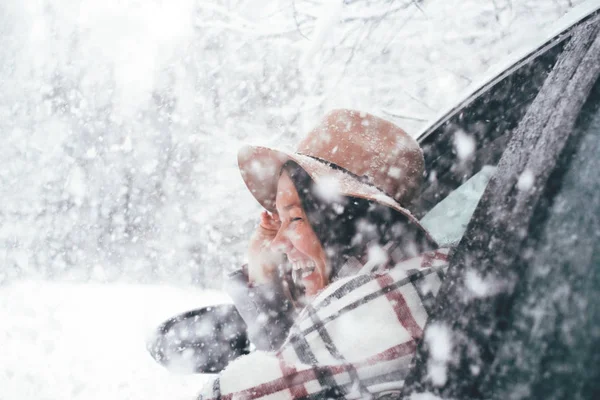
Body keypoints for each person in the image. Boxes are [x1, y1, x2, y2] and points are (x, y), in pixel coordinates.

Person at [198, 109, 451, 399]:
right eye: (278, 221)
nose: (278, 243)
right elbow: (303, 361)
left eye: (294, 218)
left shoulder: (384, 307)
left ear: (351, 220)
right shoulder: (400, 297)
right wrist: (263, 273)